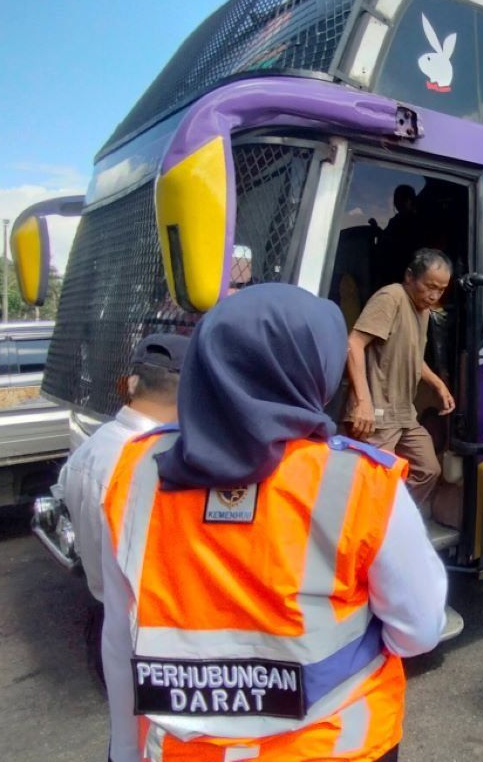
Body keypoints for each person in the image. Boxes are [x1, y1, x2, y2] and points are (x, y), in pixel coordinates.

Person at [100, 284, 447, 762]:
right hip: (332, 747)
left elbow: (120, 635)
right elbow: (419, 630)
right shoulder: (361, 483)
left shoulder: (134, 473)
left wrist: (122, 751)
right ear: (314, 372)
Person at [54, 332, 189, 685]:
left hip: (105, 617)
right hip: (151, 635)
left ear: (130, 384)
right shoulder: (156, 464)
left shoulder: (93, 446)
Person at [344, 248, 455, 519]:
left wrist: (438, 384)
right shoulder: (391, 297)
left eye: (440, 290)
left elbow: (413, 356)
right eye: (429, 286)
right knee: (373, 481)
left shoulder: (424, 311)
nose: (433, 295)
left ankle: (390, 523)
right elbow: (354, 344)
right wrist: (363, 402)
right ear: (409, 276)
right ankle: (367, 535)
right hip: (376, 414)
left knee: (428, 469)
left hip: (404, 414)